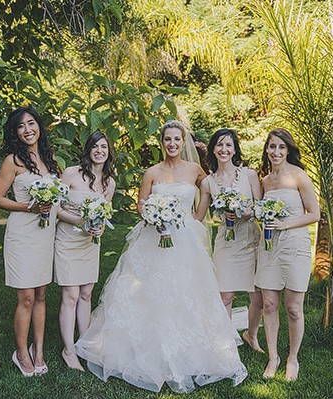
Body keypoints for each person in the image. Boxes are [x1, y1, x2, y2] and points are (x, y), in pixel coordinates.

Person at [75, 120, 247, 393]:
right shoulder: (152, 172)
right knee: (149, 292)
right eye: (167, 139)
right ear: (162, 142)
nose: (172, 144)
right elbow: (142, 204)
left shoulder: (195, 170)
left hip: (185, 238)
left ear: (183, 142)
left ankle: (190, 352)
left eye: (177, 139)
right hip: (154, 237)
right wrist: (154, 218)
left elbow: (211, 190)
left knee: (185, 292)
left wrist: (197, 218)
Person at [0, 107, 61, 377]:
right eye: (21, 126)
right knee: (27, 297)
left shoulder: (51, 159)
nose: (28, 129)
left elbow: (60, 198)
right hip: (22, 234)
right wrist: (28, 207)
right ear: (15, 132)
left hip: (45, 234)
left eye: (31, 123)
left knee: (42, 294)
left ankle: (38, 350)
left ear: (39, 126)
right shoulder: (13, 161)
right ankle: (21, 353)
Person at [254, 128, 319, 381]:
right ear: (266, 150)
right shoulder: (265, 181)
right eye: (272, 147)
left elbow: (314, 214)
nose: (276, 152)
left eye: (281, 147)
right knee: (269, 304)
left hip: (296, 245)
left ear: (288, 150)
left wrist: (285, 224)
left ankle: (292, 357)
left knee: (293, 308)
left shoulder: (299, 176)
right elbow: (261, 212)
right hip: (269, 247)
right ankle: (273, 357)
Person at [196, 128, 265, 353]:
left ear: (234, 149)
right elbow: (199, 216)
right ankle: (226, 344)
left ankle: (251, 335)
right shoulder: (208, 183)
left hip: (251, 240)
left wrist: (246, 213)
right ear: (213, 149)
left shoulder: (250, 175)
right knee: (225, 296)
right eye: (219, 145)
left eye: (228, 145)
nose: (224, 149)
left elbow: (260, 207)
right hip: (226, 243)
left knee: (258, 298)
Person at [53, 131, 116, 371]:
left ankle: (85, 345)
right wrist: (79, 222)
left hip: (90, 244)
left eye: (104, 147)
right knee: (70, 295)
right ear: (88, 150)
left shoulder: (109, 182)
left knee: (86, 294)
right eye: (95, 146)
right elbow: (56, 209)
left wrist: (99, 228)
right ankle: (68, 351)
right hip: (68, 240)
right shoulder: (70, 173)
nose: (100, 150)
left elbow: (104, 215)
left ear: (108, 152)